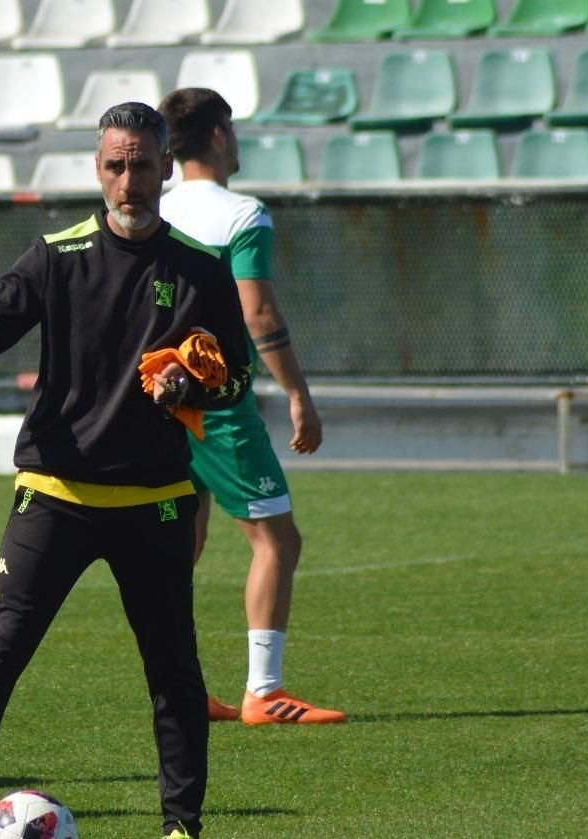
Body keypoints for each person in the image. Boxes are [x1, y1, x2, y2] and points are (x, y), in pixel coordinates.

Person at [0, 102, 252, 839]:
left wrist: (193, 386)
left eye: (140, 164)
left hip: (157, 499)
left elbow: (236, 378)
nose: (127, 179)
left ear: (166, 165)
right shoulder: (56, 254)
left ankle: (182, 828)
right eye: (114, 164)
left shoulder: (200, 267)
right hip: (56, 493)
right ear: (97, 168)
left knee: (174, 671)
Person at [156, 88, 344, 727]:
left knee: (185, 538)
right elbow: (256, 311)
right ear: (215, 136)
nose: (234, 140)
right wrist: (298, 394)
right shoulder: (242, 214)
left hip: (156, 396)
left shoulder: (152, 210)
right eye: (230, 129)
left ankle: (175, 688)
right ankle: (264, 692)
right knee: (276, 540)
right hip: (216, 404)